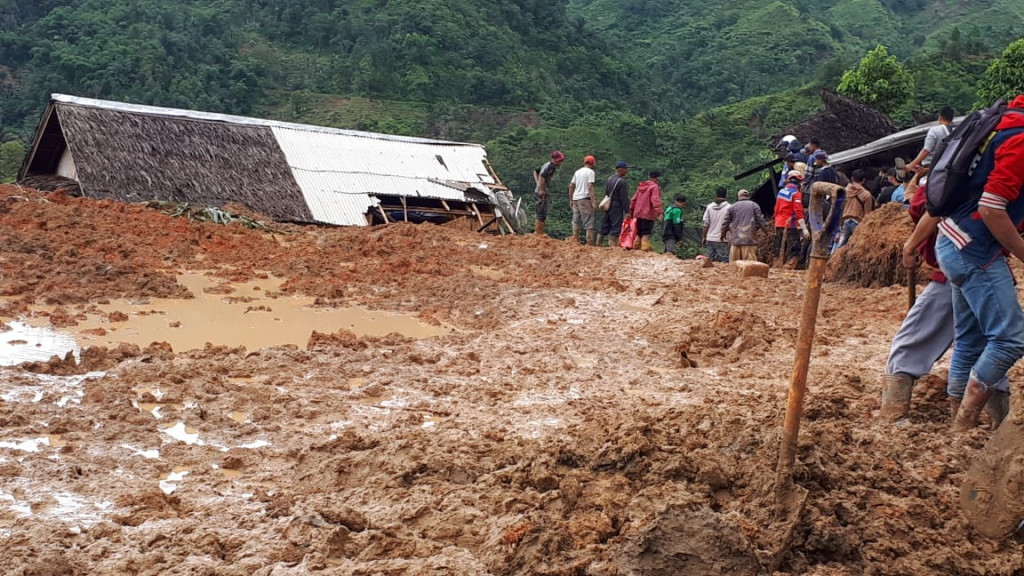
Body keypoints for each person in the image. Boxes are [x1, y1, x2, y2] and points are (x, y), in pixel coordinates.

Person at [883, 177, 1010, 424]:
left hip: (962, 269)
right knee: (989, 344)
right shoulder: (987, 178)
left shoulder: (961, 178)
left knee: (916, 340)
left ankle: (895, 413)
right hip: (987, 270)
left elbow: (933, 210)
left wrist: (910, 246)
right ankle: (999, 421)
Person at [934, 95, 1024, 431]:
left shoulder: (1004, 123)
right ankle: (965, 421)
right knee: (1012, 338)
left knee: (970, 339)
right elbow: (991, 207)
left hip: (953, 239)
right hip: (973, 248)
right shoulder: (1021, 141)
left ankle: (957, 429)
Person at [831, 169, 874, 252]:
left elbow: (839, 210)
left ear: (851, 178)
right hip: (858, 224)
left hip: (845, 221)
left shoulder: (844, 192)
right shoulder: (866, 195)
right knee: (856, 249)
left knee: (838, 248)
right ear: (863, 180)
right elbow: (867, 215)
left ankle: (831, 262)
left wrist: (839, 228)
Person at [721, 189, 769, 263]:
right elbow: (761, 220)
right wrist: (767, 232)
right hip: (749, 241)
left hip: (735, 241)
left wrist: (722, 234)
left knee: (734, 266)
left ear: (738, 197)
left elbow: (725, 223)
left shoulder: (732, 207)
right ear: (748, 196)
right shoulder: (754, 205)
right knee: (750, 266)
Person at [774, 170, 809, 268]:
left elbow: (776, 208)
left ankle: (776, 265)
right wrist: (804, 228)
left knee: (779, 245)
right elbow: (798, 212)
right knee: (795, 247)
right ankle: (789, 266)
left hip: (779, 223)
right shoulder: (795, 194)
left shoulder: (781, 192)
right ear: (799, 183)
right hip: (790, 224)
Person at [906, 106, 954, 174]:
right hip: (947, 167)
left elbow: (926, 150)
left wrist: (911, 165)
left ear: (940, 117)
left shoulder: (935, 130)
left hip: (931, 168)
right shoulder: (956, 132)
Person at [627, 171, 664, 252]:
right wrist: (659, 212)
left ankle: (635, 248)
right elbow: (655, 200)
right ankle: (644, 249)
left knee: (639, 232)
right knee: (646, 232)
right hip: (648, 213)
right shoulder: (654, 187)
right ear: (657, 178)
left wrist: (631, 210)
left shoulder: (641, 186)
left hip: (638, 213)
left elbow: (634, 199)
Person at [598, 162, 631, 247]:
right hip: (616, 207)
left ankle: (598, 244)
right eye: (626, 169)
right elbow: (624, 198)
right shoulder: (621, 182)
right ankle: (613, 247)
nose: (626, 171)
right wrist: (627, 211)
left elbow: (606, 193)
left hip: (608, 205)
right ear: (621, 169)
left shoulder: (610, 179)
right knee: (615, 227)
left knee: (605, 225)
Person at [533, 150, 564, 235]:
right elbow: (542, 177)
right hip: (541, 192)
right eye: (560, 161)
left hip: (538, 190)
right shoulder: (551, 167)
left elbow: (536, 172)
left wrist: (537, 184)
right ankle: (539, 233)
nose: (561, 163)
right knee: (541, 213)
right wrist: (542, 189)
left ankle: (538, 232)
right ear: (556, 160)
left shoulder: (546, 164)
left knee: (539, 211)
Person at [568, 155, 597, 245]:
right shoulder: (590, 172)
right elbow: (590, 186)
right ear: (592, 163)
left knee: (575, 221)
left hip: (576, 198)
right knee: (589, 223)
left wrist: (571, 199)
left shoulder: (577, 172)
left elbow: (571, 185)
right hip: (585, 199)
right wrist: (593, 201)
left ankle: (575, 241)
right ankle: (590, 244)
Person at [702, 187, 731, 262]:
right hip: (723, 239)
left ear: (716, 195)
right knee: (724, 264)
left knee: (709, 263)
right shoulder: (730, 208)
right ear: (726, 195)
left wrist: (704, 237)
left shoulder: (709, 207)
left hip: (710, 238)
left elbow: (706, 224)